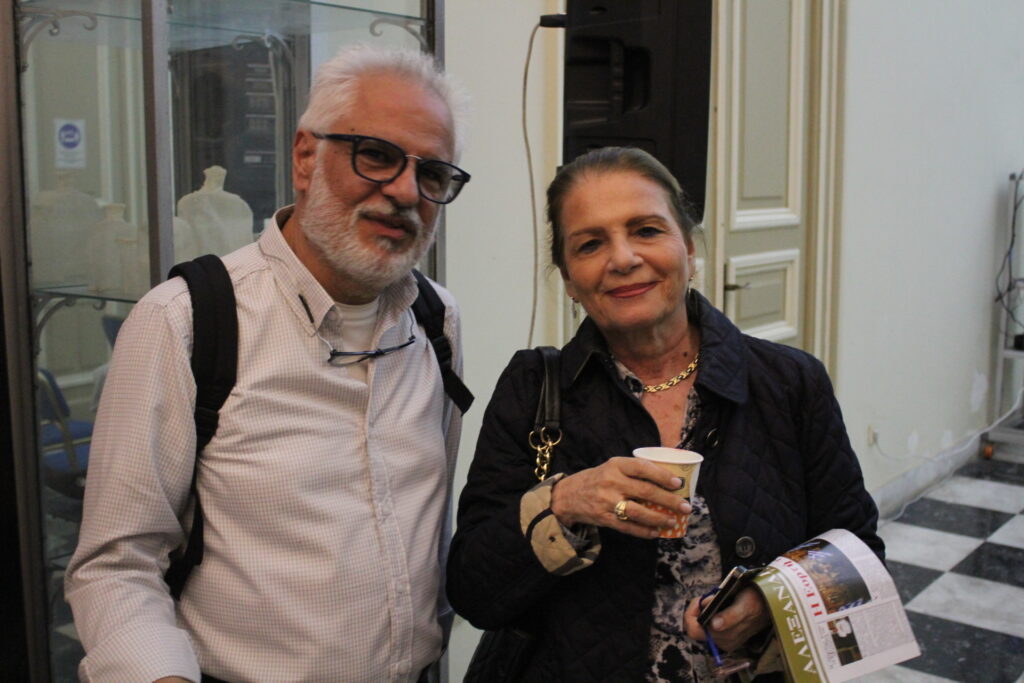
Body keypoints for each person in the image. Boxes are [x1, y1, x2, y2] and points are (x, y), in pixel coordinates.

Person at [66, 44, 471, 683]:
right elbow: (117, 565)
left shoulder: (436, 321)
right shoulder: (185, 321)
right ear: (306, 157)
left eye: (433, 174)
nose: (404, 192)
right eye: (376, 155)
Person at [446, 146, 883, 682]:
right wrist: (564, 503)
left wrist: (771, 604)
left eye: (647, 230)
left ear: (690, 249)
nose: (623, 258)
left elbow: (859, 555)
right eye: (590, 244)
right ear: (569, 279)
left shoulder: (790, 383)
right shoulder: (533, 388)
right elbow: (473, 592)